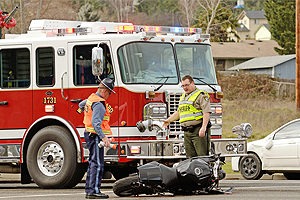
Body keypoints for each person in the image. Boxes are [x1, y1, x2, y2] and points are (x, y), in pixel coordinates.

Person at [79, 78, 115, 199]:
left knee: (92, 162)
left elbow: (81, 105)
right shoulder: (99, 104)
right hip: (95, 136)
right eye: (109, 92)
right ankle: (94, 191)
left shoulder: (91, 99)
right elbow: (96, 123)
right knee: (98, 164)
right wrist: (104, 137)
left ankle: (90, 190)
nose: (109, 95)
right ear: (104, 91)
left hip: (89, 134)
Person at [163, 75, 211, 158]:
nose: (185, 88)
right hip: (187, 132)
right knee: (190, 158)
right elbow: (179, 113)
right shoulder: (183, 97)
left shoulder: (201, 95)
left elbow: (206, 112)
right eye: (183, 86)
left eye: (187, 85)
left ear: (192, 83)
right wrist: (168, 120)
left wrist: (203, 128)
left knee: (202, 157)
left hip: (198, 130)